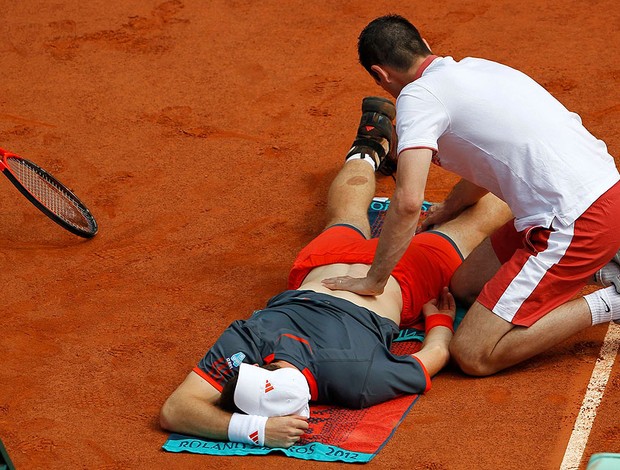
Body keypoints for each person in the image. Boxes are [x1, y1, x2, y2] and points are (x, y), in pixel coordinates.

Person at [160, 97, 511, 448]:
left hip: (399, 277)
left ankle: (530, 172)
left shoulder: (353, 378)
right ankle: (368, 145)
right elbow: (174, 409)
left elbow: (434, 355)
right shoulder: (248, 340)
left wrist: (440, 319)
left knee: (472, 228)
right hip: (325, 265)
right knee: (348, 215)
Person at [321, 14, 620, 377]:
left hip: (574, 221)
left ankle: (612, 302)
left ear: (380, 75)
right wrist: (451, 206)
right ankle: (606, 263)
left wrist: (374, 280)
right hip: (601, 191)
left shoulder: (416, 98)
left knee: (473, 353)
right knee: (464, 285)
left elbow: (408, 201)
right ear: (424, 45)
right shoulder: (479, 69)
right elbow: (487, 165)